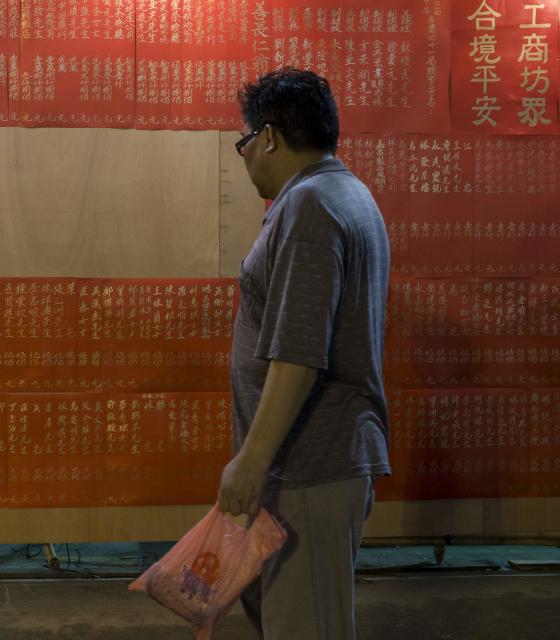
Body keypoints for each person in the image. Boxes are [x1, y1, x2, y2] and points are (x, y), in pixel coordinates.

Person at [218, 67, 391, 639]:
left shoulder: (311, 206)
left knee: (305, 626)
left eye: (244, 142)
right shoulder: (346, 193)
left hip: (310, 468)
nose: (244, 158)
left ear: (268, 136)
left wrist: (251, 461)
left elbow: (298, 353)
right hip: (309, 467)